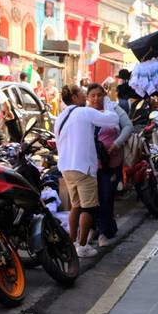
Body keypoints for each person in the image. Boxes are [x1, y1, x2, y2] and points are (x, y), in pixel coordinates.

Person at [54, 83, 119, 258]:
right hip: (83, 167)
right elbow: (112, 120)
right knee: (88, 208)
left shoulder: (61, 117)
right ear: (74, 97)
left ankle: (72, 242)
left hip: (66, 167)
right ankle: (82, 246)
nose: (86, 96)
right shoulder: (84, 112)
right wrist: (108, 104)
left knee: (75, 206)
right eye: (82, 93)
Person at [88, 82, 132, 246]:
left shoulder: (113, 109)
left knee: (106, 196)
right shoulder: (85, 113)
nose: (96, 98)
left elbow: (128, 127)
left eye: (99, 95)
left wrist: (117, 144)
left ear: (104, 96)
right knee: (92, 199)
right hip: (91, 164)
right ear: (88, 98)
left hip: (112, 162)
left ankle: (104, 232)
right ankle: (97, 227)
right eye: (92, 95)